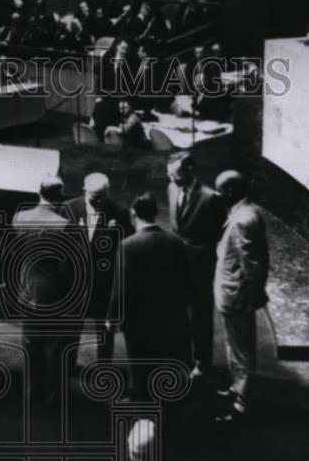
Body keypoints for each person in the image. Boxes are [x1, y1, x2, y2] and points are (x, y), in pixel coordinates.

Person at [107, 192, 191, 401]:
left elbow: (122, 286)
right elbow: (184, 280)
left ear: (133, 215)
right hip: (169, 313)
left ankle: (139, 398)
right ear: (155, 213)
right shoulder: (176, 242)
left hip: (138, 317)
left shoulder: (128, 245)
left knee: (138, 359)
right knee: (162, 355)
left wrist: (112, 316)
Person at [10, 176, 81, 408]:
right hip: (55, 297)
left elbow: (14, 255)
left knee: (31, 346)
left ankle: (32, 393)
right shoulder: (65, 226)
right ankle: (52, 398)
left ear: (38, 192)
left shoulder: (19, 218)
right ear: (59, 195)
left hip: (27, 292)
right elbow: (69, 268)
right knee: (55, 349)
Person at [213, 170, 269, 421]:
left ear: (230, 191)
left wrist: (254, 295)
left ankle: (243, 402)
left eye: (220, 189)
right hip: (235, 294)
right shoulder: (248, 211)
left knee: (241, 349)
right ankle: (238, 388)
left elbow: (252, 265)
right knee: (234, 345)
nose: (217, 194)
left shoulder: (243, 219)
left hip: (236, 295)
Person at [167, 152, 227, 379]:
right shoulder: (172, 187)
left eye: (176, 174)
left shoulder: (211, 198)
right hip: (177, 263)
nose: (172, 178)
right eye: (169, 174)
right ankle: (183, 357)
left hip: (201, 267)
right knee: (178, 313)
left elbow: (219, 234)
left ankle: (203, 362)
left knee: (201, 316)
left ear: (190, 170)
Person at [63, 172, 131, 364]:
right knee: (72, 326)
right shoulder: (69, 209)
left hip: (104, 282)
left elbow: (125, 246)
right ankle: (69, 364)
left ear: (107, 191)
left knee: (104, 327)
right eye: (95, 198)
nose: (99, 202)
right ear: (84, 191)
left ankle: (104, 366)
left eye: (102, 197)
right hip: (75, 281)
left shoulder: (119, 212)